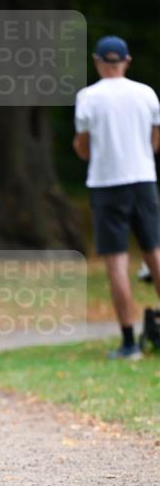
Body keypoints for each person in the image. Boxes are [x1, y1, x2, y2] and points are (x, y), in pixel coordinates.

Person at [74, 35, 160, 359]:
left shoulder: (88, 97)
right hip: (143, 180)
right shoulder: (147, 94)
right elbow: (155, 141)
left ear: (97, 61)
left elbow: (83, 146)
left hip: (106, 183)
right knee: (154, 254)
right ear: (127, 61)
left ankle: (128, 342)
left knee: (116, 263)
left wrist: (87, 150)